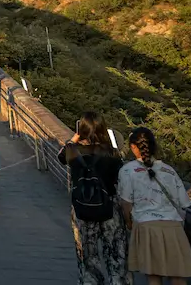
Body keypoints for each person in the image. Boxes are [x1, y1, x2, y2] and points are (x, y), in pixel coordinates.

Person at [57, 112, 131, 285]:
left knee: (87, 256)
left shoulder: (72, 152)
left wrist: (75, 138)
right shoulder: (111, 153)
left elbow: (60, 156)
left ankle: (90, 282)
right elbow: (119, 175)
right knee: (116, 255)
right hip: (109, 207)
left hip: (82, 208)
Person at [118, 127, 191, 285]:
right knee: (178, 275)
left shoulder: (127, 170)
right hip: (173, 227)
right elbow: (184, 202)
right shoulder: (169, 170)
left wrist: (129, 222)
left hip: (146, 226)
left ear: (133, 147)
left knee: (154, 275)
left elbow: (126, 203)